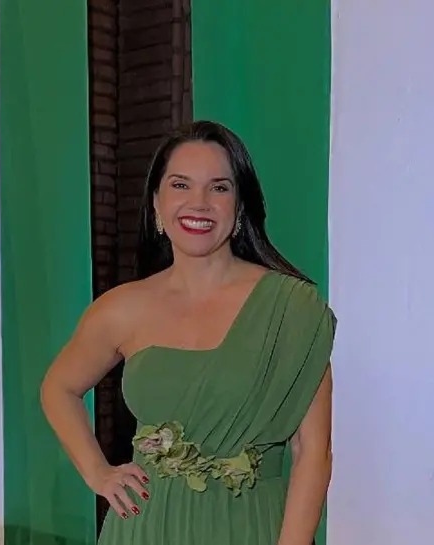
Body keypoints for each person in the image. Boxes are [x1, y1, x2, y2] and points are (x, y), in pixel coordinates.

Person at [40, 120, 335, 544]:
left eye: (219, 188)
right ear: (156, 204)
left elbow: (312, 452)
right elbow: (58, 388)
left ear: (240, 206)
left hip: (251, 528)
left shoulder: (291, 308)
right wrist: (98, 472)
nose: (199, 203)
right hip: (144, 527)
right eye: (180, 185)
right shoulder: (122, 307)